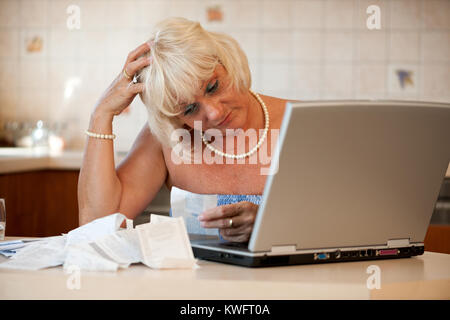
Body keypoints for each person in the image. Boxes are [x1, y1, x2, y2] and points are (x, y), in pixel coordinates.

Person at [78, 17, 289, 243]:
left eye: (213, 86)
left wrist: (271, 225)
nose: (215, 113)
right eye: (189, 109)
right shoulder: (167, 139)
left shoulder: (296, 120)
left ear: (227, 62)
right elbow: (95, 227)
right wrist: (100, 115)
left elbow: (331, 223)